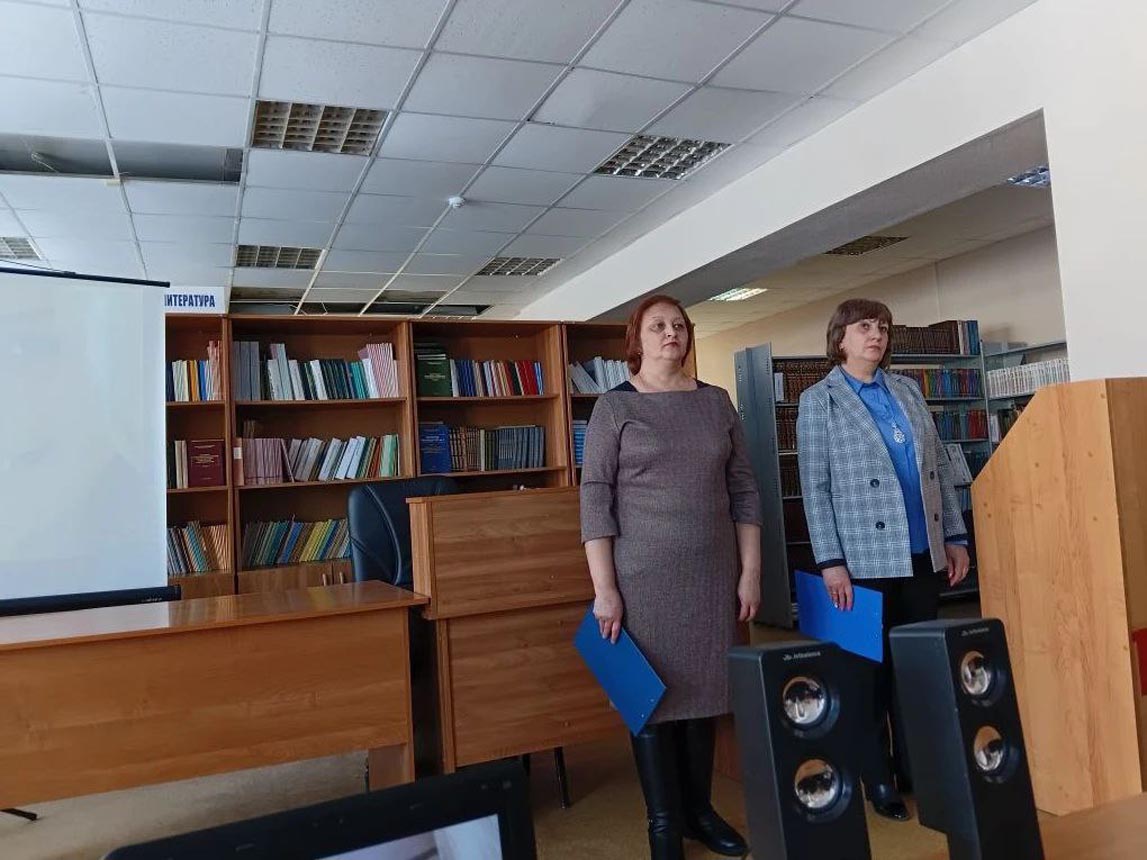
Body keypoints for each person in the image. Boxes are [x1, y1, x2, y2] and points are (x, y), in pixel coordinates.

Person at [580, 294, 762, 860]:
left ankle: (698, 812)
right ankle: (662, 823)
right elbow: (595, 499)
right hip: (642, 581)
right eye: (657, 325)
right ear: (636, 339)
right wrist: (605, 590)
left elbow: (744, 490)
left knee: (705, 695)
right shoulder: (614, 406)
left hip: (711, 576)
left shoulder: (715, 402)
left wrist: (751, 572)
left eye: (679, 325)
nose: (670, 333)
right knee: (652, 701)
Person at [796, 298, 971, 822]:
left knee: (915, 670)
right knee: (865, 675)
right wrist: (830, 561)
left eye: (884, 328)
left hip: (921, 552)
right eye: (865, 326)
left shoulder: (908, 390)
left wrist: (954, 535)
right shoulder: (819, 401)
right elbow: (815, 487)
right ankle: (877, 777)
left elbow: (937, 467)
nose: (877, 335)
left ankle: (916, 768)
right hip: (861, 561)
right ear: (840, 338)